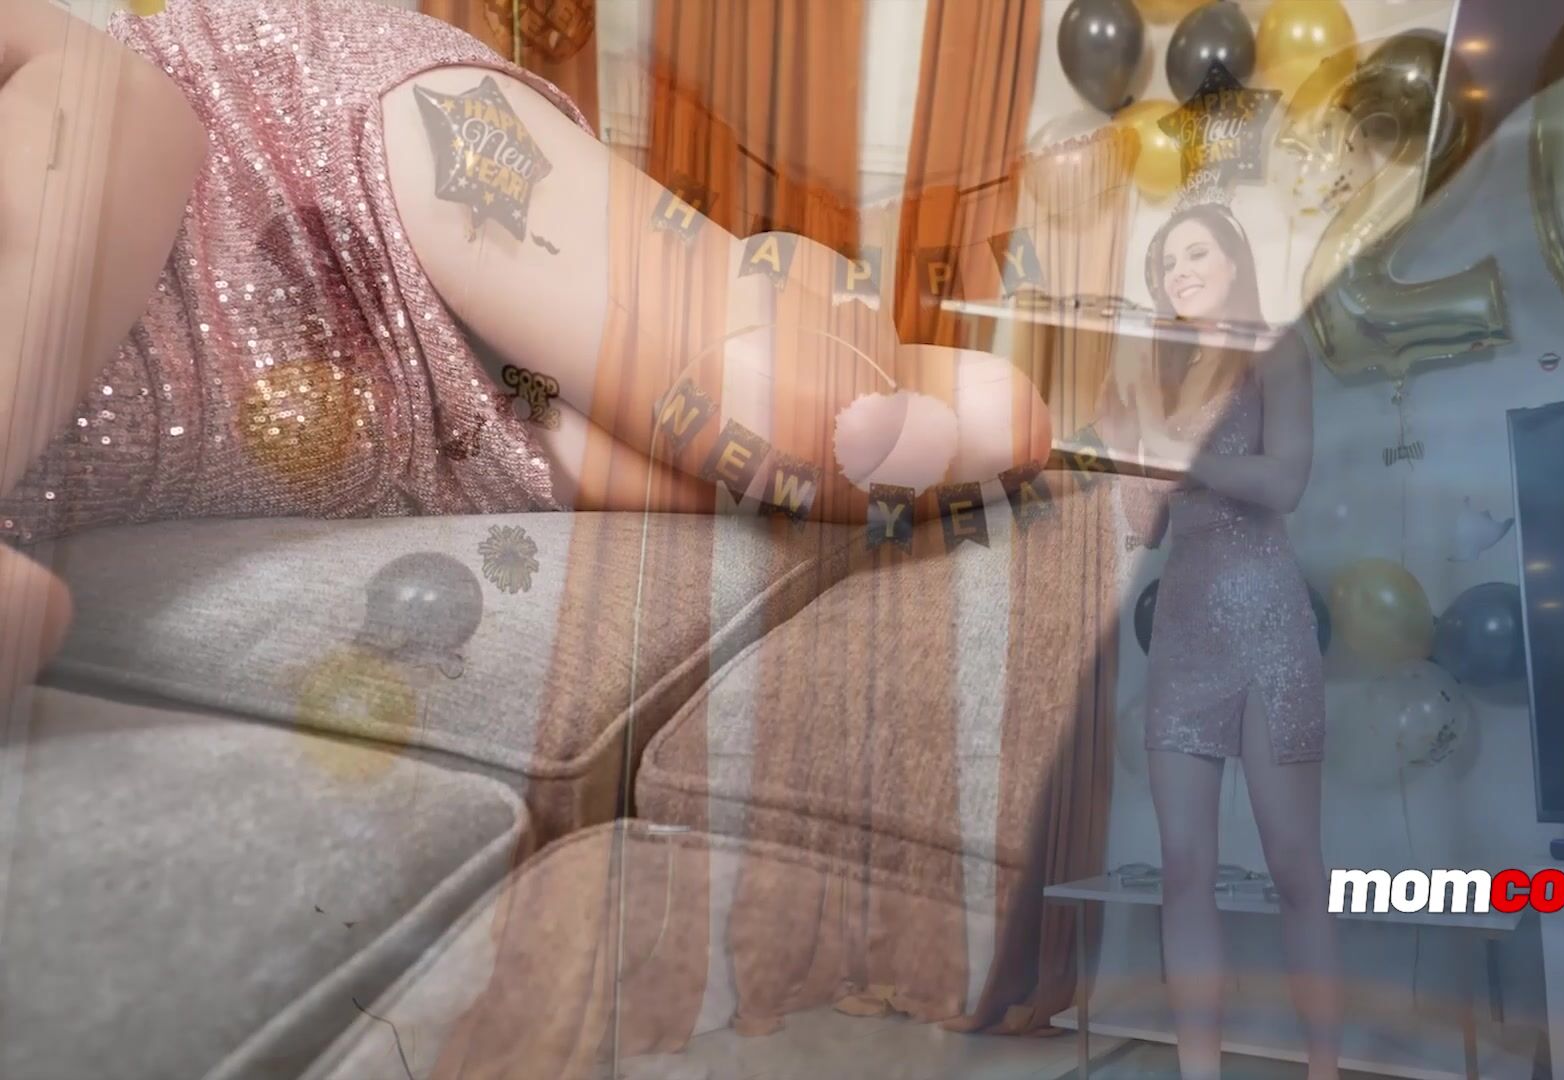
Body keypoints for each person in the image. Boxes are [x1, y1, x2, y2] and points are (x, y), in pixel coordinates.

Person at [0, 0, 977, 689]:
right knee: (864, 464)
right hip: (398, 440)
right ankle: (814, 306)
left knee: (807, 420)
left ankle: (783, 281)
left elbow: (114, 101)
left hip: (312, 163)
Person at [1098, 198, 1339, 1080]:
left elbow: (1285, 481)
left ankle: (1323, 1069)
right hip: (1185, 631)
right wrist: (1122, 458)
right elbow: (1150, 529)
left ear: (1235, 260)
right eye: (1167, 263)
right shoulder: (1165, 382)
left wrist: (1180, 455)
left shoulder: (1277, 350)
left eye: (1195, 253)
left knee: (1295, 866)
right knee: (1182, 867)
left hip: (1269, 623)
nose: (1180, 272)